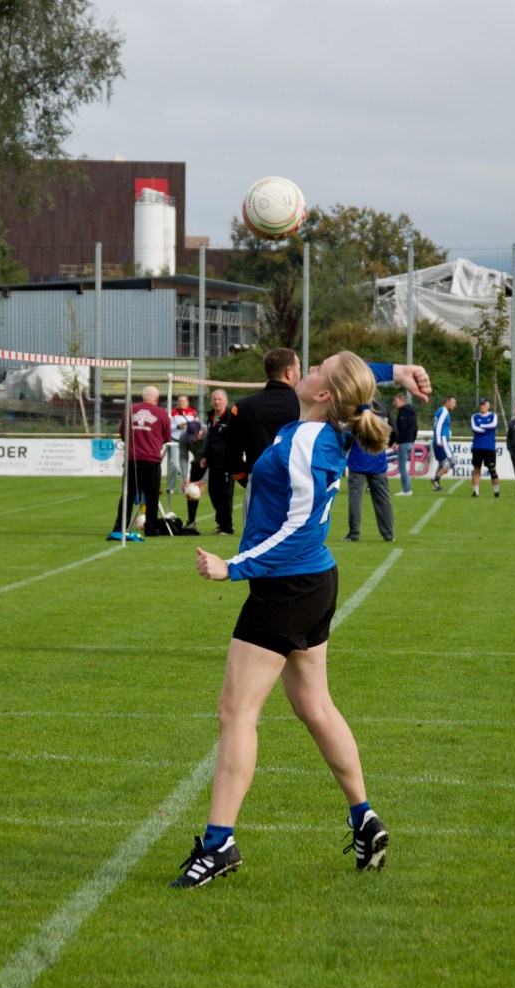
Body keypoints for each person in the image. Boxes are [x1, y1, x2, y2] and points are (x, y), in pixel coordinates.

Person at [170, 353, 400, 889]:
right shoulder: (320, 429)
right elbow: (355, 384)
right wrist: (394, 371)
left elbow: (296, 529)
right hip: (310, 582)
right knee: (313, 705)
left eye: (318, 368)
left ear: (324, 394)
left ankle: (218, 843)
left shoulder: (308, 441)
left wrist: (233, 567)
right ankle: (364, 818)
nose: (309, 367)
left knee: (236, 712)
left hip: (288, 588)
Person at [225, 347, 301, 522]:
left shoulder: (242, 407)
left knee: (256, 539)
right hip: (297, 487)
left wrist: (249, 480)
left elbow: (231, 458)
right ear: (289, 372)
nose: (300, 373)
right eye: (298, 368)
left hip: (258, 484)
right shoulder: (304, 406)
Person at [107, 385, 171, 539]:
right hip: (152, 460)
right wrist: (154, 442)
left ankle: (120, 527)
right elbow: (167, 437)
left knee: (127, 495)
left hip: (132, 459)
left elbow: (123, 433)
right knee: (152, 496)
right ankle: (151, 528)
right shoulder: (162, 413)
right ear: (157, 398)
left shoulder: (130, 410)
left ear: (142, 397)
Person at [343, 398, 395, 542]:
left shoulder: (355, 411)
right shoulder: (382, 409)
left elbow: (347, 436)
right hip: (378, 459)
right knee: (383, 499)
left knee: (355, 499)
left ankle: (354, 533)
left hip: (358, 460)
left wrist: (346, 447)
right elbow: (394, 432)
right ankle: (388, 534)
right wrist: (384, 444)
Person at [200, 389, 234, 535]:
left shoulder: (231, 418)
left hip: (226, 462)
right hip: (213, 462)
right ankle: (220, 523)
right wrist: (205, 456)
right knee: (213, 493)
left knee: (225, 495)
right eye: (214, 399)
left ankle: (227, 527)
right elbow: (209, 439)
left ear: (226, 401)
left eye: (219, 399)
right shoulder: (210, 417)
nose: (216, 402)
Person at [179, 419, 207, 531]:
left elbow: (216, 456)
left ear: (201, 431)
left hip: (215, 461)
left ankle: (224, 525)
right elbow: (183, 457)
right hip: (197, 462)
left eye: (195, 436)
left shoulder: (209, 434)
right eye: (191, 437)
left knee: (218, 494)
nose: (193, 440)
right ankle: (191, 521)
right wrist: (184, 478)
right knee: (191, 491)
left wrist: (204, 480)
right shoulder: (183, 436)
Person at [167, 395, 198, 494]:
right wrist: (178, 426)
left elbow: (197, 425)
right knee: (174, 465)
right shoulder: (173, 412)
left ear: (187, 402)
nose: (181, 402)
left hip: (188, 441)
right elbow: (168, 427)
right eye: (179, 401)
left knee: (186, 466)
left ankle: (183, 488)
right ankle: (171, 486)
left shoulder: (193, 412)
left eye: (183, 401)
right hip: (175, 440)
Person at [470, 397, 500, 498]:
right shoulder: (474, 417)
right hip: (477, 447)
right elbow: (474, 428)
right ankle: (475, 492)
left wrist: (481, 425)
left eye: (483, 404)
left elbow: (493, 426)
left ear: (488, 405)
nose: (481, 406)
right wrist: (487, 429)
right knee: (476, 469)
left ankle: (496, 491)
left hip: (489, 447)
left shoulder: (493, 415)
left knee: (492, 469)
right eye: (480, 404)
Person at [391, 392, 417, 496]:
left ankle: (407, 490)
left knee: (402, 467)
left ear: (401, 400)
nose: (394, 403)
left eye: (395, 401)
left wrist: (397, 442)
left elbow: (402, 429)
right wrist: (412, 440)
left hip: (404, 443)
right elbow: (415, 428)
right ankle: (407, 489)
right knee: (403, 467)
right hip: (410, 442)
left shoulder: (403, 412)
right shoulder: (412, 412)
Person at [431, 395, 457, 491]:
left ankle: (436, 486)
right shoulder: (444, 411)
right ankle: (436, 478)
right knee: (453, 461)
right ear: (447, 402)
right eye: (453, 402)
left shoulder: (439, 410)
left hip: (437, 439)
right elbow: (438, 426)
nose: (454, 405)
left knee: (441, 464)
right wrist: (439, 440)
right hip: (442, 440)